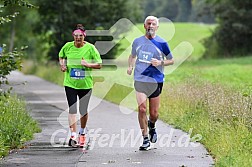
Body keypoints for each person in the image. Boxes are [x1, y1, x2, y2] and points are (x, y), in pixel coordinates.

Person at [127, 16, 174, 150]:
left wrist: (160, 62)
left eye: (153, 24)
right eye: (149, 23)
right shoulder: (137, 42)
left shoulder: (162, 43)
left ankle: (152, 125)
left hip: (156, 80)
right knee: (142, 109)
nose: (151, 26)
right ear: (144, 26)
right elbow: (132, 55)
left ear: (157, 27)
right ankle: (145, 138)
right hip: (140, 79)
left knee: (154, 114)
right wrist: (130, 66)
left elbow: (171, 60)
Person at [59, 24, 102, 147]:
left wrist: (87, 64)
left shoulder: (91, 48)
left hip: (85, 85)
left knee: (83, 110)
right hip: (70, 83)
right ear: (73, 36)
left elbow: (99, 64)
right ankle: (73, 135)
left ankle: (82, 133)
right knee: (72, 109)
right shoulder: (67, 46)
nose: (78, 38)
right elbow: (61, 56)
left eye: (80, 36)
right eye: (76, 36)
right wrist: (62, 65)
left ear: (84, 36)